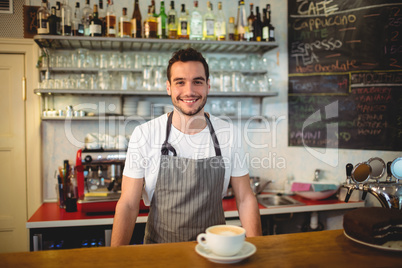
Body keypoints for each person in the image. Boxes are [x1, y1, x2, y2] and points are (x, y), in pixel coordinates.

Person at [111, 47, 261, 245]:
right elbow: (129, 204)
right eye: (180, 82)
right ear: (169, 87)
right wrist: (115, 255)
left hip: (215, 251)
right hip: (161, 253)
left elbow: (245, 198)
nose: (189, 91)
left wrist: (259, 247)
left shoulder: (228, 134)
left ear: (208, 85)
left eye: (197, 82)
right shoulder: (145, 134)